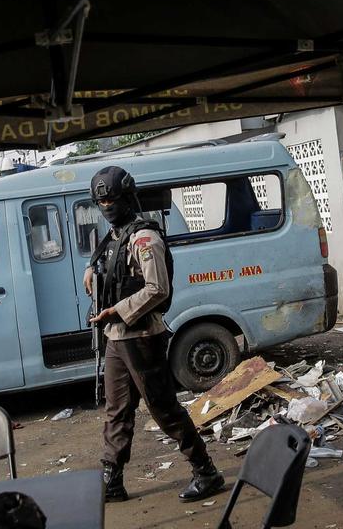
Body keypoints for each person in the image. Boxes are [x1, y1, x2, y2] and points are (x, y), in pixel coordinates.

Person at [84, 165, 224, 504]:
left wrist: (117, 310)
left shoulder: (145, 237)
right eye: (101, 203)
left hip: (142, 336)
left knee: (163, 409)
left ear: (127, 198)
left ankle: (206, 471)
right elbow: (107, 262)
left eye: (113, 201)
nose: (107, 207)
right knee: (117, 409)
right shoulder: (115, 236)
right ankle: (111, 478)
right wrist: (91, 268)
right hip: (117, 337)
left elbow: (158, 289)